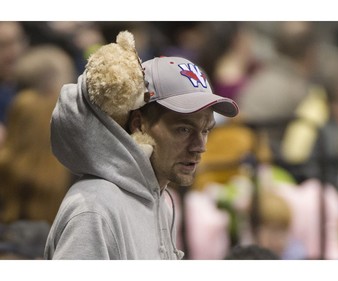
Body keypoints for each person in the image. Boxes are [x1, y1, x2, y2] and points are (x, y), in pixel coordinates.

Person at [44, 55, 239, 260]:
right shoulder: (94, 208)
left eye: (206, 131)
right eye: (183, 129)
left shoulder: (161, 202)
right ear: (138, 124)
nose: (200, 147)